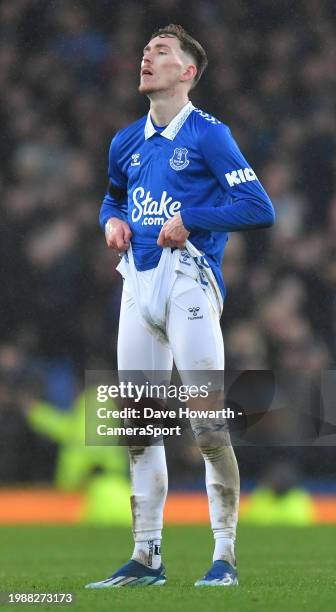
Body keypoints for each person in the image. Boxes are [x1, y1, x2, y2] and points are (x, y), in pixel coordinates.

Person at [86, 24, 275, 589]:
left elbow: (257, 206)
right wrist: (111, 222)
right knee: (140, 426)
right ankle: (147, 558)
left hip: (191, 280)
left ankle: (224, 558)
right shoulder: (125, 141)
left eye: (161, 52)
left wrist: (194, 219)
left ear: (187, 72)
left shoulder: (210, 136)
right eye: (145, 50)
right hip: (138, 286)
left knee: (206, 424)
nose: (148, 57)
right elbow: (112, 197)